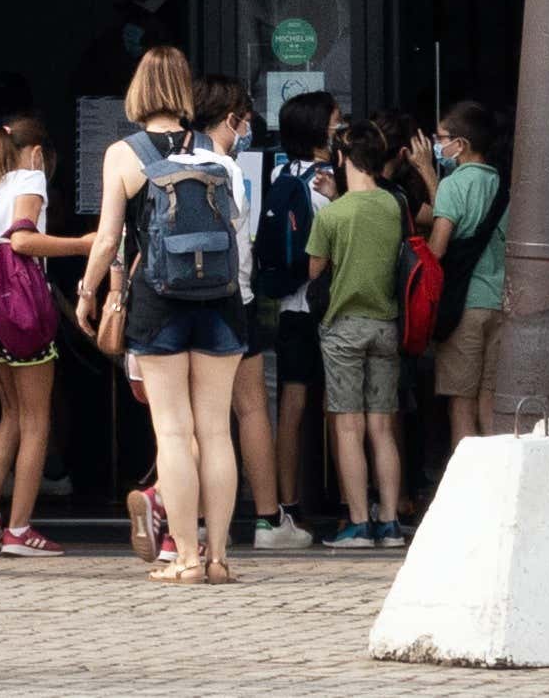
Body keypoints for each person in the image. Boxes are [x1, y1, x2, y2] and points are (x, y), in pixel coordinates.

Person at [75, 46, 258, 587]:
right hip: (222, 302)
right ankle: (220, 556)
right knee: (217, 432)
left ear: (138, 90)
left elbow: (109, 237)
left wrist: (88, 292)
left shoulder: (123, 154)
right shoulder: (217, 153)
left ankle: (184, 558)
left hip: (158, 303)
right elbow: (238, 230)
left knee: (174, 434)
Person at [0, 114, 79, 556]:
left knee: (8, 415)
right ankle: (20, 530)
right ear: (37, 152)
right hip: (24, 313)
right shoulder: (30, 178)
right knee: (36, 421)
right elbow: (23, 241)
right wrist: (88, 243)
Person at [307, 116, 416, 545]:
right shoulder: (393, 205)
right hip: (386, 326)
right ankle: (389, 521)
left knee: (348, 428)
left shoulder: (333, 215)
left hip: (344, 329)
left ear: (342, 157)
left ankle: (357, 521)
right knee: (382, 428)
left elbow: (315, 268)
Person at [241, 91, 339, 552]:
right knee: (340, 407)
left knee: (292, 410)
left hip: (289, 308)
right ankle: (351, 505)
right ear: (322, 129)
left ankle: (288, 504)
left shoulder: (279, 173)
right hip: (325, 306)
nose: (340, 128)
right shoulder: (329, 181)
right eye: (335, 121)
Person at [425, 102, 508, 451]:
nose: (436, 144)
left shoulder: (454, 185)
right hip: (499, 302)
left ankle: (467, 491)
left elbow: (439, 247)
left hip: (464, 306)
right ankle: (497, 488)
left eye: (440, 137)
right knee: (488, 402)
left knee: (460, 402)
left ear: (460, 144)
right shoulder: (503, 184)